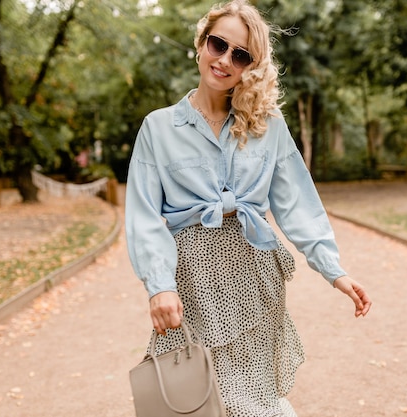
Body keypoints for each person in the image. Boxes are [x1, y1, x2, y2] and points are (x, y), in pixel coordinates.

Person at [125, 1, 372, 415]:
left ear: (251, 67)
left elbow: (297, 202)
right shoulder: (158, 127)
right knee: (192, 395)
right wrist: (160, 285)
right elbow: (144, 214)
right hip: (188, 282)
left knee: (250, 400)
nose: (224, 60)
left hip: (254, 276)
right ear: (201, 43)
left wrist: (335, 271)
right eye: (218, 45)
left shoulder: (268, 125)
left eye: (240, 55)